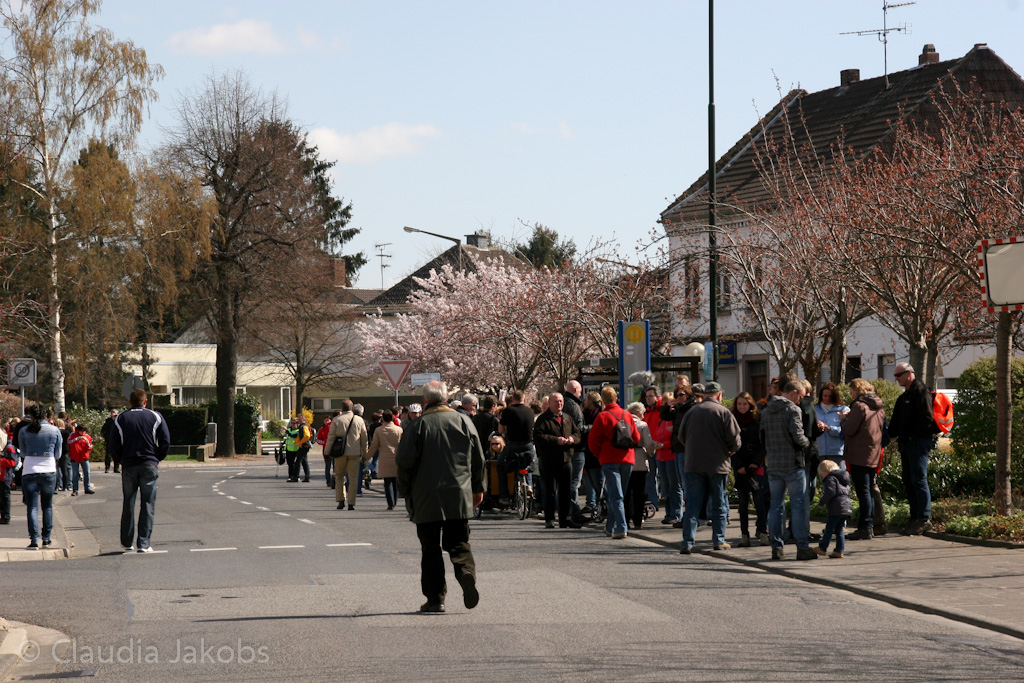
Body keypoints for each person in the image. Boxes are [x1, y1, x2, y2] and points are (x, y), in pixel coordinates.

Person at [395, 381, 484, 613]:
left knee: (431, 548)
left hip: (426, 496)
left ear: (425, 400)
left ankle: (435, 598)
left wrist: (404, 491)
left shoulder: (417, 426)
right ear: (446, 397)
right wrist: (477, 488)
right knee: (459, 543)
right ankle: (465, 573)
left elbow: (404, 463)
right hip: (458, 492)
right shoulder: (464, 421)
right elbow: (478, 459)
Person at [677, 381, 741, 553]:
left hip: (694, 464)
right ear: (720, 395)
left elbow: (681, 437)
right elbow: (735, 440)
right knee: (718, 504)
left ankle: (687, 541)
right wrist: (730, 450)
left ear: (704, 395)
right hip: (717, 464)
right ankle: (719, 540)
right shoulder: (723, 412)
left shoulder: (691, 412)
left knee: (692, 504)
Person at [108, 389, 171, 553]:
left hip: (129, 465)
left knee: (128, 502)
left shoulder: (121, 418)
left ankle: (127, 542)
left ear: (130, 402)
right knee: (148, 503)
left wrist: (120, 459)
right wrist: (157, 457)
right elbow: (165, 440)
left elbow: (113, 443)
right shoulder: (155, 416)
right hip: (149, 463)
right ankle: (144, 543)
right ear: (145, 402)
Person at [761, 380, 816, 561]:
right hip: (793, 463)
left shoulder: (767, 411)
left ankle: (776, 547)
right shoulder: (793, 410)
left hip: (774, 464)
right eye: (800, 396)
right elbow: (798, 437)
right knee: (799, 505)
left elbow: (762, 436)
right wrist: (808, 443)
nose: (800, 400)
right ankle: (802, 547)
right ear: (793, 392)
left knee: (776, 506)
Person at [888, 362, 936, 535]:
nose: (896, 379)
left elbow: (927, 418)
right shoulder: (904, 397)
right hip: (907, 444)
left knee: (919, 479)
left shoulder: (920, 391)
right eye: (895, 376)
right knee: (909, 480)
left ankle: (924, 519)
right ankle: (915, 517)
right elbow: (894, 425)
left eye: (898, 375)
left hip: (918, 443)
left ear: (909, 374)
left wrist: (910, 435)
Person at [587, 386, 640, 539]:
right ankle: (610, 526)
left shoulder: (602, 416)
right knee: (618, 494)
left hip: (609, 459)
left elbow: (592, 440)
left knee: (615, 496)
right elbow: (635, 438)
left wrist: (599, 454)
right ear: (616, 398)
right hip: (627, 459)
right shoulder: (627, 415)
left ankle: (621, 527)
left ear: (603, 400)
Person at [841, 378, 885, 541]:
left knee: (863, 491)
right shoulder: (878, 406)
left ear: (857, 389)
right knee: (868, 489)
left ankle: (865, 526)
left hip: (859, 453)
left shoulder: (859, 406)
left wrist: (843, 420)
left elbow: (849, 429)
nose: (850, 393)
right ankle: (870, 525)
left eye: (851, 390)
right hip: (873, 452)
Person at [533, 392, 582, 529]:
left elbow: (577, 433)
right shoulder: (543, 419)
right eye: (556, 402)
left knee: (566, 491)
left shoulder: (567, 418)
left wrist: (572, 439)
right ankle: (549, 518)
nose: (559, 404)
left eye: (561, 401)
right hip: (549, 459)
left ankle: (565, 518)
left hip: (566, 459)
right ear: (550, 403)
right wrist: (556, 441)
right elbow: (538, 436)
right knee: (550, 490)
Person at [18, 405, 61, 549]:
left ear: (31, 416)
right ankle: (46, 538)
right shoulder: (54, 430)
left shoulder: (24, 430)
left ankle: (34, 539)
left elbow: (23, 453)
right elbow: (58, 453)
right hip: (48, 469)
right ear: (45, 415)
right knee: (47, 506)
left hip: (30, 469)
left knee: (32, 507)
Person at [731, 392, 767, 546]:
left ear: (750, 404)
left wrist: (756, 463)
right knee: (743, 503)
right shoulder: (732, 420)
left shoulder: (758, 420)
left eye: (745, 404)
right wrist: (738, 465)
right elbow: (729, 445)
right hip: (740, 465)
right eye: (739, 404)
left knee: (760, 501)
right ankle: (744, 534)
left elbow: (764, 444)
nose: (742, 407)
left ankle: (762, 530)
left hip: (756, 465)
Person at [324, 400, 368, 511]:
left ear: (342, 408)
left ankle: (341, 500)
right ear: (352, 408)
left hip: (340, 453)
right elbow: (364, 438)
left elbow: (331, 437)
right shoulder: (359, 420)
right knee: (353, 478)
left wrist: (327, 452)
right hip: (354, 452)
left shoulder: (337, 420)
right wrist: (365, 452)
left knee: (339, 476)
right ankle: (351, 503)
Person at [497, 390, 535, 502]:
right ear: (524, 399)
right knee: (528, 465)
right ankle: (529, 485)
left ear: (513, 399)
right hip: (528, 444)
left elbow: (500, 429)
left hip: (512, 445)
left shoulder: (508, 411)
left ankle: (504, 496)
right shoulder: (530, 411)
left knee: (500, 465)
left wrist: (506, 431)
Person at [625, 401, 657, 531]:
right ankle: (638, 522)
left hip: (625, 461)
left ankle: (625, 521)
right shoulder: (642, 425)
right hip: (639, 462)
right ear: (638, 412)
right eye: (642, 412)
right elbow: (648, 444)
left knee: (626, 494)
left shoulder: (623, 423)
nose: (643, 415)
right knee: (639, 494)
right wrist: (651, 452)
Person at [561, 380, 587, 521]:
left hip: (566, 449)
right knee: (573, 483)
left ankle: (567, 511)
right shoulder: (574, 406)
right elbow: (580, 429)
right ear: (576, 389)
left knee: (567, 483)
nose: (581, 394)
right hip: (576, 449)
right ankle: (574, 513)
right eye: (580, 391)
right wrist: (591, 427)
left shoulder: (564, 403)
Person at [814, 459, 851, 558]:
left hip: (836, 507)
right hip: (846, 507)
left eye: (822, 475)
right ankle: (839, 550)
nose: (822, 477)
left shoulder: (830, 478)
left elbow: (830, 492)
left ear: (826, 471)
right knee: (839, 530)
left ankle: (822, 547)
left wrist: (822, 502)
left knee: (829, 529)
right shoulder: (844, 479)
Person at [368, 410, 403, 510]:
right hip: (396, 458)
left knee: (387, 482)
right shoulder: (399, 430)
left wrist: (366, 456)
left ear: (383, 418)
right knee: (396, 481)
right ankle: (395, 500)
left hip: (384, 458)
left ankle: (390, 502)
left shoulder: (379, 430)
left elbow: (374, 446)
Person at [814, 382, 849, 472]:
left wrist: (829, 429)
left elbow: (846, 431)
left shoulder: (843, 410)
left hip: (837, 453)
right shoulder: (815, 409)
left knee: (839, 480)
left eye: (830, 396)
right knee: (825, 482)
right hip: (820, 452)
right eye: (825, 396)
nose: (827, 399)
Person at [580, 391, 604, 513]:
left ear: (590, 401)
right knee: (591, 481)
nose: (584, 401)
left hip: (595, 454)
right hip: (588, 453)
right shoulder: (585, 414)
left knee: (599, 482)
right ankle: (593, 504)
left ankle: (602, 505)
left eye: (586, 399)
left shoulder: (598, 414)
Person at [68, 423, 95, 495]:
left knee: (87, 473)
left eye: (84, 431)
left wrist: (87, 442)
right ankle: (75, 490)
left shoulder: (87, 436)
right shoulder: (73, 435)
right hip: (75, 456)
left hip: (84, 456)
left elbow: (90, 447)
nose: (83, 433)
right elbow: (69, 442)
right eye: (81, 431)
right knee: (75, 474)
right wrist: (77, 439)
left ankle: (87, 488)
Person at [1, 430, 18, 525]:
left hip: (5, 476)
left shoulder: (9, 448)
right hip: (2, 476)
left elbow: (12, 462)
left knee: (5, 497)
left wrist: (1, 460)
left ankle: (6, 516)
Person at [316, 415, 334, 487]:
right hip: (325, 449)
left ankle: (334, 481)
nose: (326, 422)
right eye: (325, 420)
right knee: (328, 465)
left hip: (333, 449)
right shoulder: (322, 430)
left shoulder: (333, 428)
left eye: (328, 420)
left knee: (335, 465)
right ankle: (328, 481)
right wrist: (325, 443)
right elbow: (318, 440)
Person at [101, 409, 119, 474]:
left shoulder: (119, 421)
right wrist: (106, 437)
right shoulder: (108, 421)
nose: (114, 414)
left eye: (115, 413)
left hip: (117, 440)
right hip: (109, 440)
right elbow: (103, 430)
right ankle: (107, 468)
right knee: (108, 455)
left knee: (116, 454)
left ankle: (116, 468)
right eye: (113, 413)